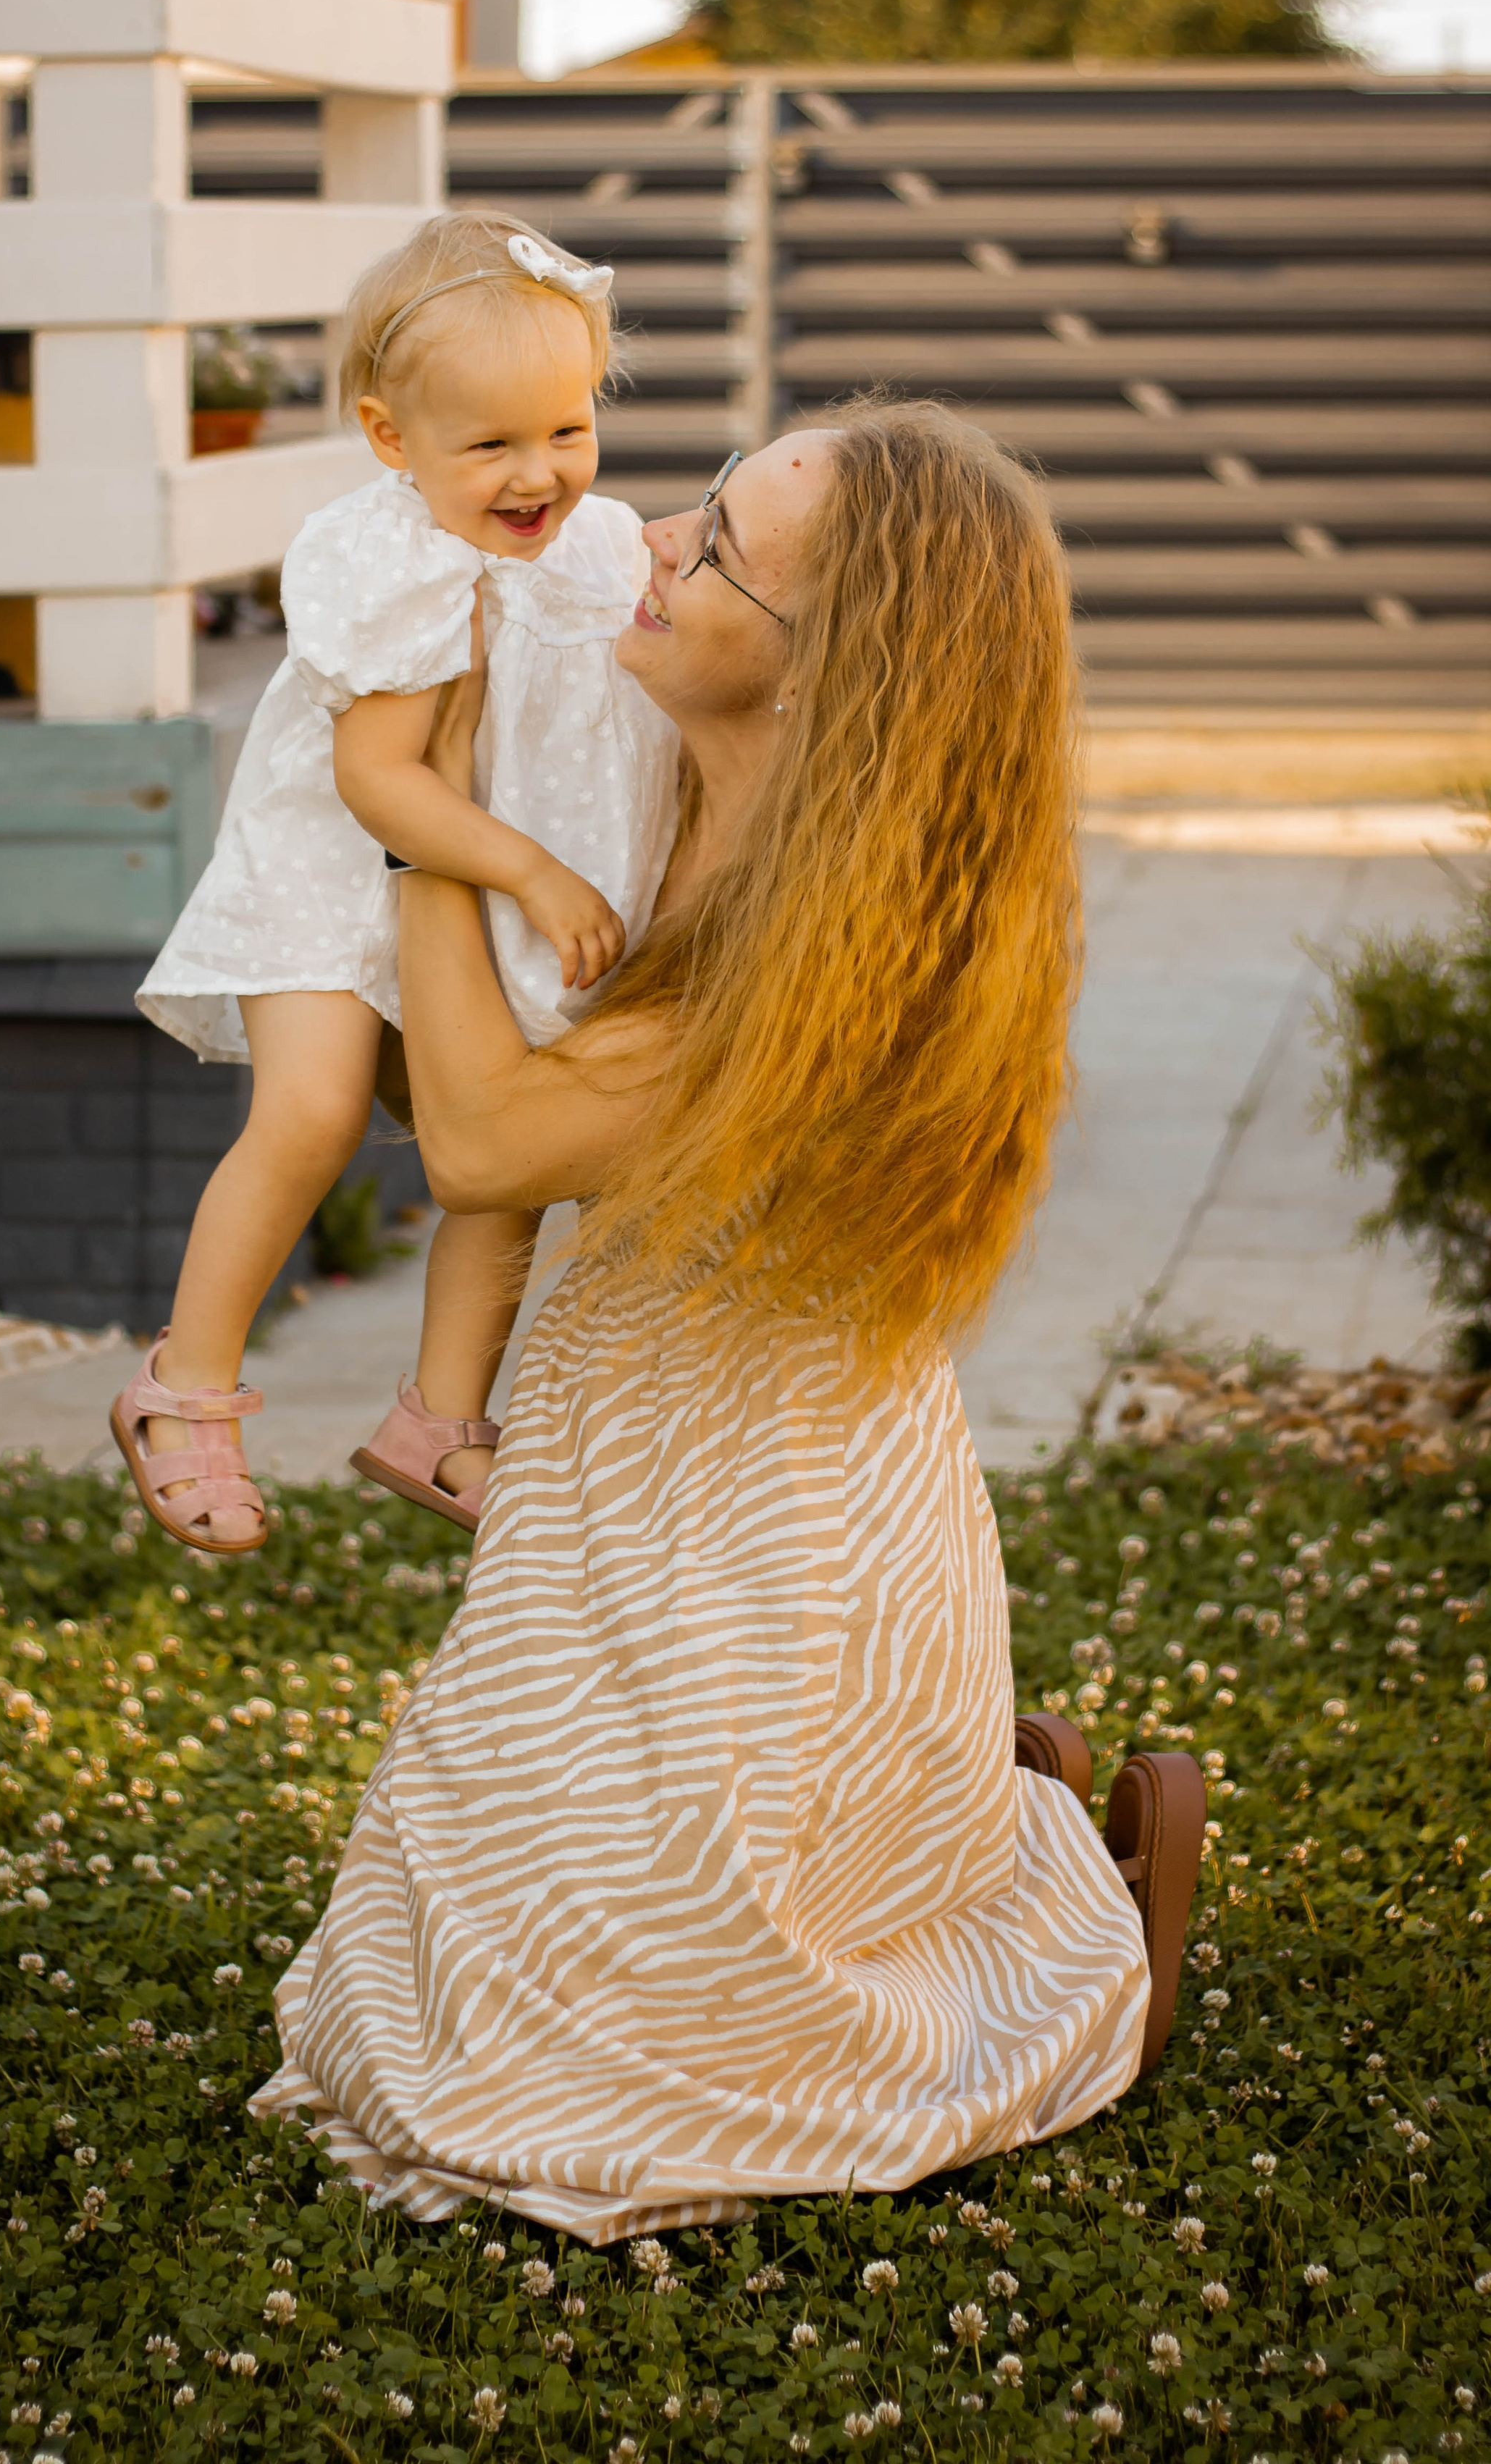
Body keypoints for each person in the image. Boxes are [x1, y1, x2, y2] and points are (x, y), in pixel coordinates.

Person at [252, 401, 1206, 2240]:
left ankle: (1041, 1879)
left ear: (828, 661)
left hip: (775, 1531)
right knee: (435, 2007)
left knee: (597, 2068)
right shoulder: (659, 770)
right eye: (696, 504)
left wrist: (416, 827)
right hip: (614, 1463)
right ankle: (971, 1816)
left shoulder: (850, 935)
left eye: (716, 546)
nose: (653, 545)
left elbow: (482, 1138)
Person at [119, 214, 679, 1554]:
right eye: (489, 445)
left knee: (505, 1158)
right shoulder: (383, 556)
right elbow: (382, 782)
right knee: (307, 1114)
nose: (537, 472)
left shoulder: (605, 549)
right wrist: (537, 874)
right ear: (390, 438)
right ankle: (183, 1385)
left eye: (566, 429)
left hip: (484, 892)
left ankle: (441, 1419)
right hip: (343, 876)